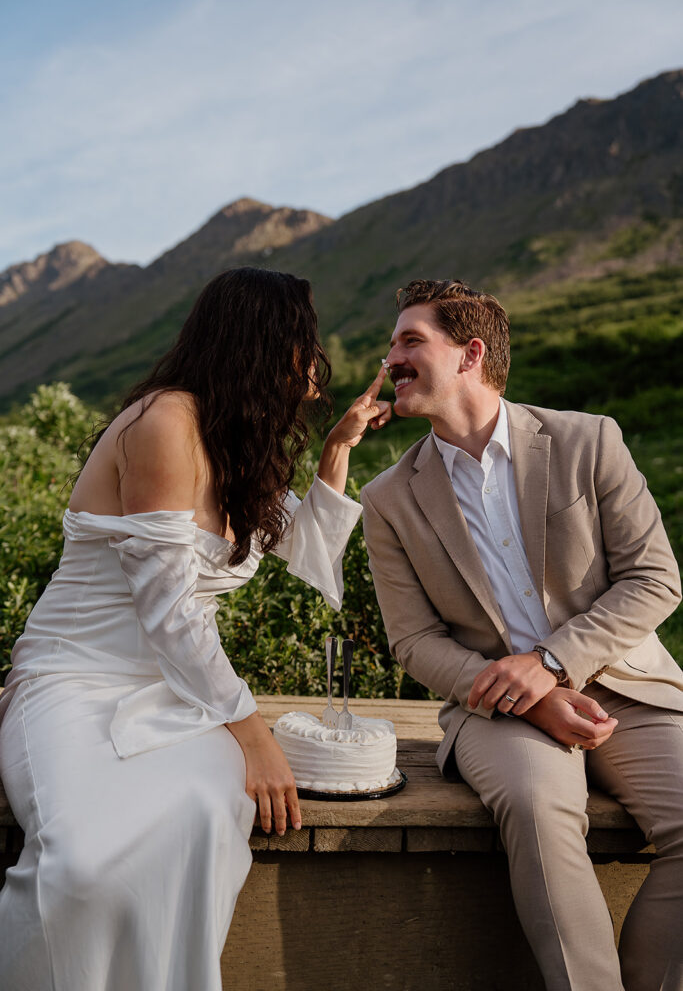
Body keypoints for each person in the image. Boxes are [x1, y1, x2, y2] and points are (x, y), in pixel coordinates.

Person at [0, 266, 391, 991]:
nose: (314, 363)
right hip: (74, 679)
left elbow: (307, 551)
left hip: (178, 693)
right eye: (303, 345)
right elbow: (168, 609)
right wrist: (252, 734)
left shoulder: (238, 443)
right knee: (82, 863)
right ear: (263, 344)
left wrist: (336, 449)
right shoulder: (163, 424)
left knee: (208, 817)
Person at [361, 278, 683, 991]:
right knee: (540, 810)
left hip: (625, 685)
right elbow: (412, 641)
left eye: (410, 341)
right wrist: (527, 696)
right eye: (391, 346)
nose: (390, 361)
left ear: (470, 354)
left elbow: (655, 579)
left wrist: (551, 664)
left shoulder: (586, 440)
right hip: (492, 707)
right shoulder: (385, 499)